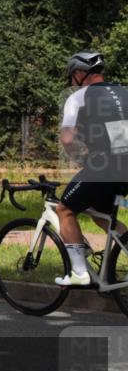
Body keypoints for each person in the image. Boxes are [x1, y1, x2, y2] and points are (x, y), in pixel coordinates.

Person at [55, 51, 128, 286]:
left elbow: (67, 139)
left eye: (71, 76)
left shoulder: (78, 98)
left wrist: (81, 159)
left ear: (79, 73)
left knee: (65, 209)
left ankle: (78, 273)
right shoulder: (124, 92)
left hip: (104, 167)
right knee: (102, 214)